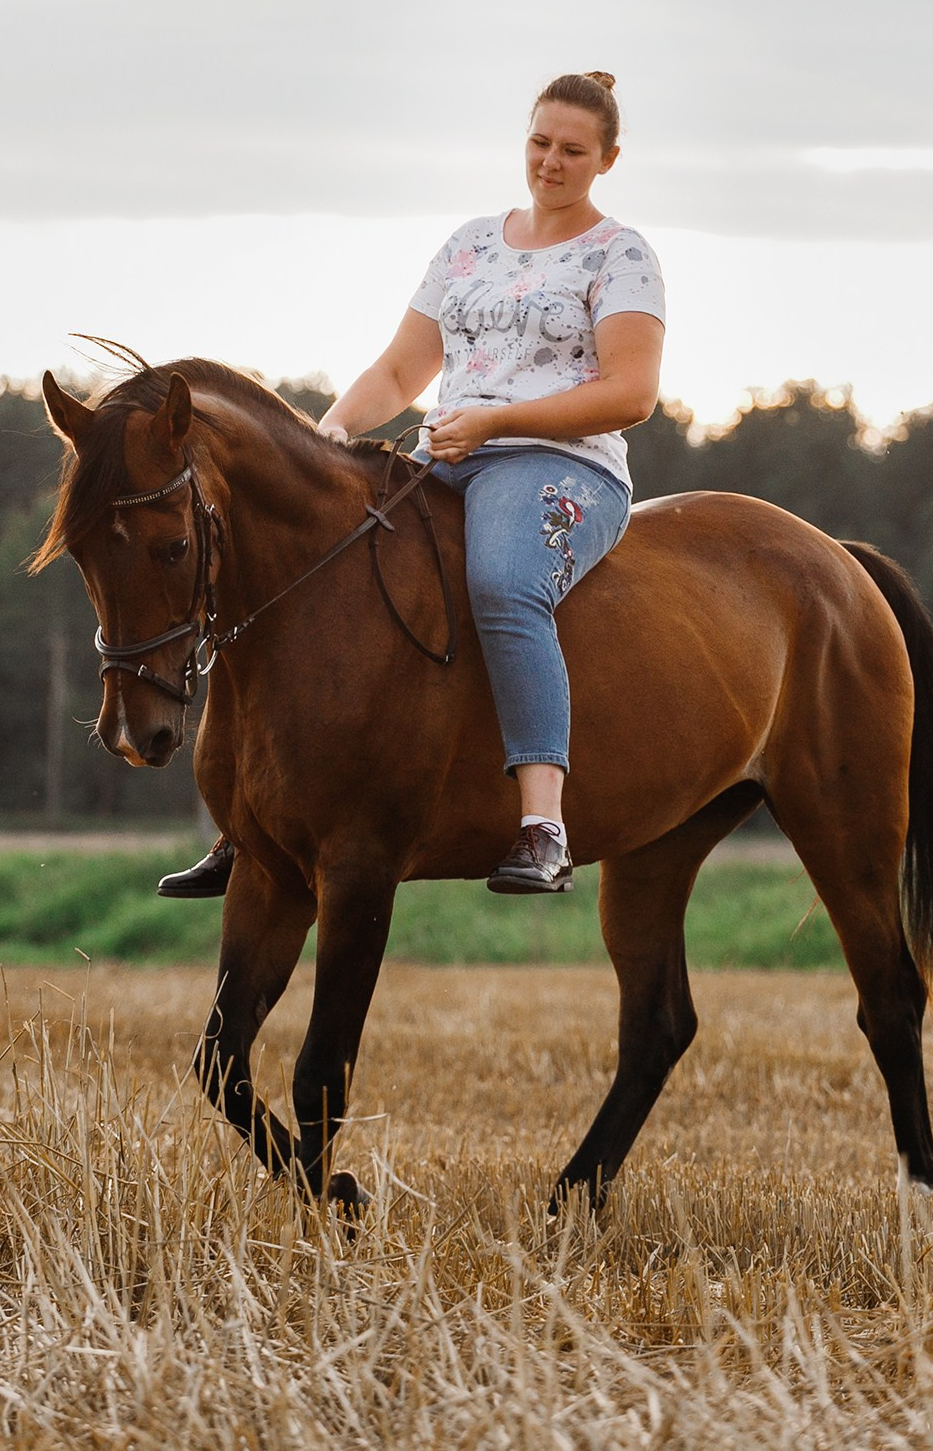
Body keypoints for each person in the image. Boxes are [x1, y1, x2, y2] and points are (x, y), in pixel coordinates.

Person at [160, 70, 665, 898]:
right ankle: (248, 820)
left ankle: (543, 825)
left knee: (504, 583)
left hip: (559, 465)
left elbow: (631, 393)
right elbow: (401, 368)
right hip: (450, 454)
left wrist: (495, 424)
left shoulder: (622, 255)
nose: (551, 161)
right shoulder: (471, 243)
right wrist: (324, 435)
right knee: (308, 567)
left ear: (607, 158)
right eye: (540, 142)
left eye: (573, 150)